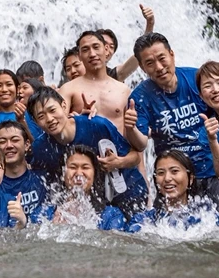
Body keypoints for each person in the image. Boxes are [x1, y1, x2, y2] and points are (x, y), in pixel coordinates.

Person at [125, 33, 219, 211]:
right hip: (172, 180)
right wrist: (131, 128)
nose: (159, 67)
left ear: (172, 54)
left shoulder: (196, 79)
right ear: (143, 68)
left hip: (210, 172)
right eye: (150, 63)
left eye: (162, 58)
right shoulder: (139, 97)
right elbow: (141, 144)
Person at [29, 87, 147, 216]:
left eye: (52, 110)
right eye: (41, 116)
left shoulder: (96, 126)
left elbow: (135, 157)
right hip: (93, 206)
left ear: (64, 106)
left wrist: (119, 162)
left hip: (129, 192)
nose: (50, 118)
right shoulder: (41, 148)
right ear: (35, 122)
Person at [126, 151, 219, 233]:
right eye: (161, 173)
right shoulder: (143, 221)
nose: (167, 178)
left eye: (174, 171)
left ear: (190, 179)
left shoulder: (207, 217)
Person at [38, 145, 126, 230]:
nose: (79, 173)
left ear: (94, 174)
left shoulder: (112, 215)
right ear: (63, 174)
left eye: (85, 167)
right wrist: (53, 228)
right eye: (73, 167)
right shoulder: (43, 213)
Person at [61, 31, 132, 134]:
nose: (92, 54)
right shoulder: (67, 89)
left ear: (106, 49)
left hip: (119, 149)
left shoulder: (124, 90)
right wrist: (78, 120)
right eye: (85, 49)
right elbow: (58, 129)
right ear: (80, 55)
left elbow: (137, 140)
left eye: (96, 47)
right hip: (81, 148)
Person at [0, 120, 47, 222]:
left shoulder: (43, 178)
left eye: (15, 140)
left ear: (27, 145)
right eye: (2, 142)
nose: (9, 145)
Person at [99, 4, 154, 81]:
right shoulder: (78, 66)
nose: (107, 48)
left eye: (111, 47)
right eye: (103, 43)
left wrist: (150, 23)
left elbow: (139, 55)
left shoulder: (111, 77)